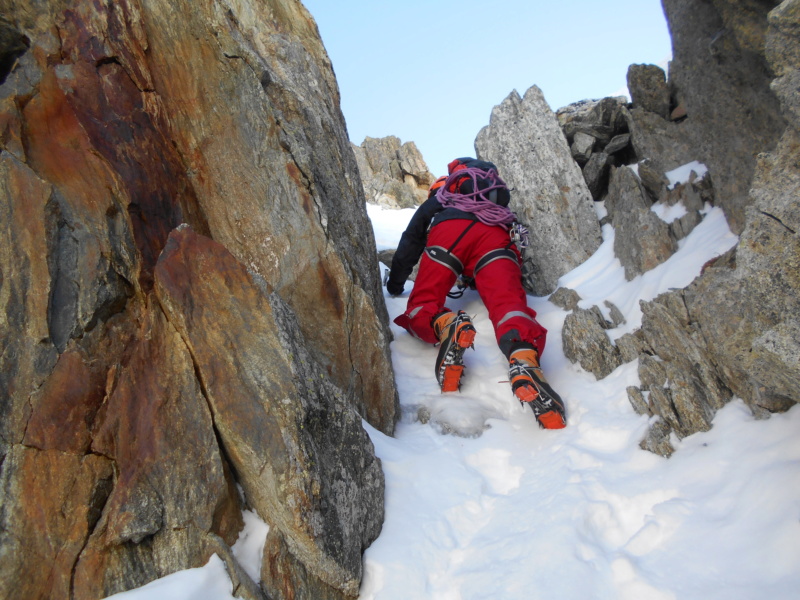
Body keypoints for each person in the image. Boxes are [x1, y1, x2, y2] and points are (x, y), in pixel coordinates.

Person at [386, 157, 566, 429]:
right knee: (509, 308)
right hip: (495, 235)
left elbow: (410, 241)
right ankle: (524, 360)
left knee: (423, 305)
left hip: (449, 233)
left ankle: (448, 325)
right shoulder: (492, 199)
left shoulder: (441, 198)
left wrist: (395, 285)